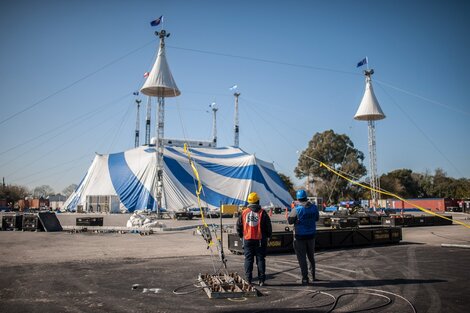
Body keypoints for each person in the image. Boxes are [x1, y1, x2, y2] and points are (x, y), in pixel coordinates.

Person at [236, 192, 272, 286]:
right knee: (260, 259)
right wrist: (268, 236)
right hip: (260, 239)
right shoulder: (262, 212)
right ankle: (261, 280)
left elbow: (238, 225)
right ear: (257, 200)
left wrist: (241, 235)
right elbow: (268, 226)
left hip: (247, 239)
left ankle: (248, 280)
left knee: (248, 259)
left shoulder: (244, 212)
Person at [288, 189, 319, 285]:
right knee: (311, 257)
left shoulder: (296, 209)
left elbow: (290, 221)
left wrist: (293, 209)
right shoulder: (314, 207)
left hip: (300, 237)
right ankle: (313, 276)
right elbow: (317, 218)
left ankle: (305, 278)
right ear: (306, 197)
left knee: (302, 258)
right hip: (311, 236)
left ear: (298, 199)